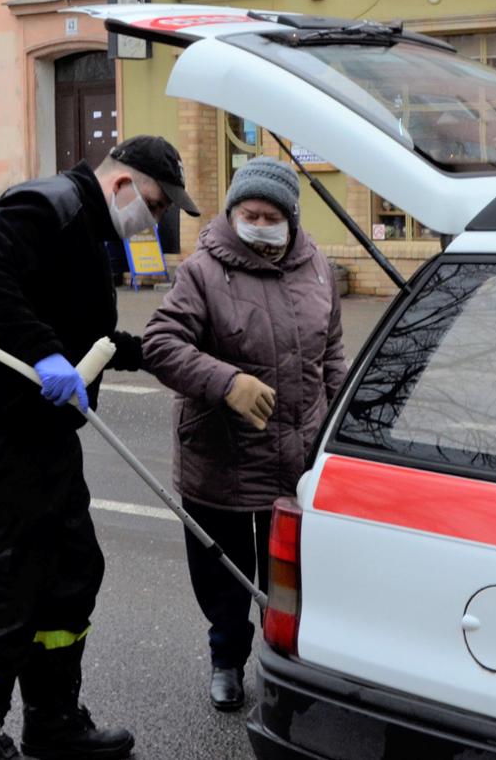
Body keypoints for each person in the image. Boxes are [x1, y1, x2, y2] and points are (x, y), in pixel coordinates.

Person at [0, 136, 200, 760]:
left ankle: (53, 722)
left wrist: (148, 355)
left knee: (71, 573)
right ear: (123, 185)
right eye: (157, 205)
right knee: (5, 586)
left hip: (40, 434)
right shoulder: (46, 206)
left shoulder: (90, 233)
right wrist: (43, 352)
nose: (157, 220)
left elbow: (82, 332)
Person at [143, 157, 346, 711]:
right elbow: (160, 343)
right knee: (225, 573)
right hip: (222, 455)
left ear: (290, 219)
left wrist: (339, 424)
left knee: (290, 575)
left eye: (270, 216)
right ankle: (227, 659)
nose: (258, 225)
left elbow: (331, 353)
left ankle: (289, 663)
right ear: (232, 213)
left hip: (297, 452)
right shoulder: (202, 271)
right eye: (248, 214)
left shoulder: (318, 268)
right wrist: (226, 382)